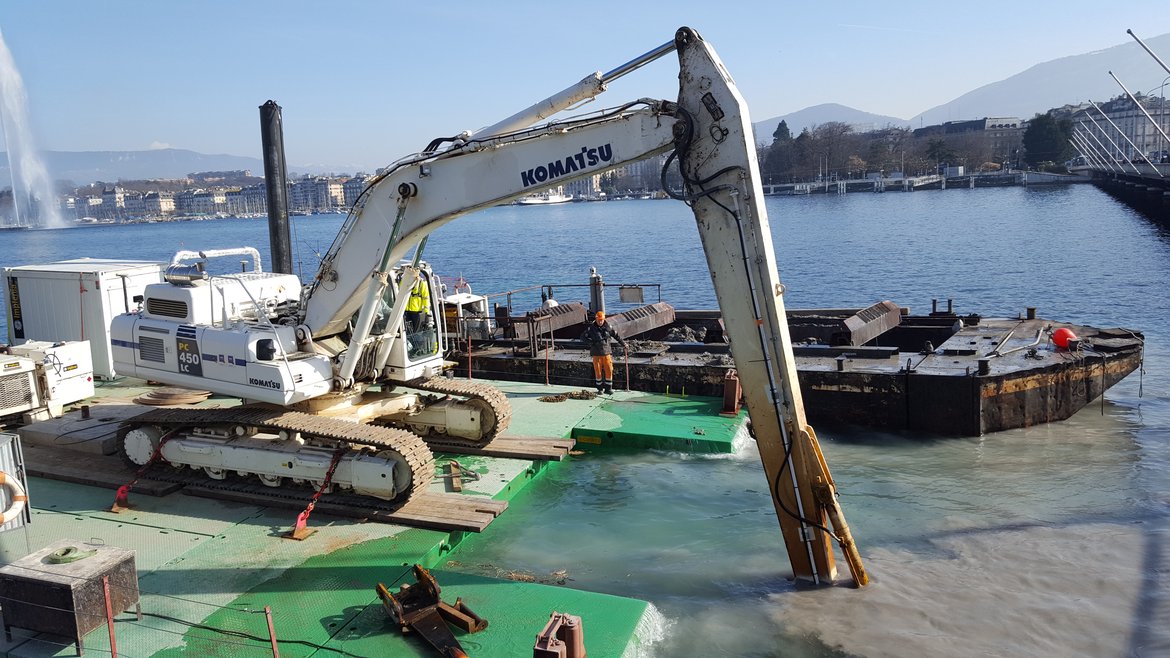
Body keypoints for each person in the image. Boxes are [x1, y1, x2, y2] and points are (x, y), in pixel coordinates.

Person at [580, 310, 625, 394]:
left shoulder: (609, 327)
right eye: (599, 320)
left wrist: (623, 344)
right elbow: (582, 337)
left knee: (609, 369)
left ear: (604, 319)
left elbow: (616, 335)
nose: (600, 322)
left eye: (601, 320)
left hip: (607, 352)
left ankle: (608, 388)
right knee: (598, 371)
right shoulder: (591, 329)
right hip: (596, 353)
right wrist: (590, 342)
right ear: (596, 320)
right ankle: (600, 388)